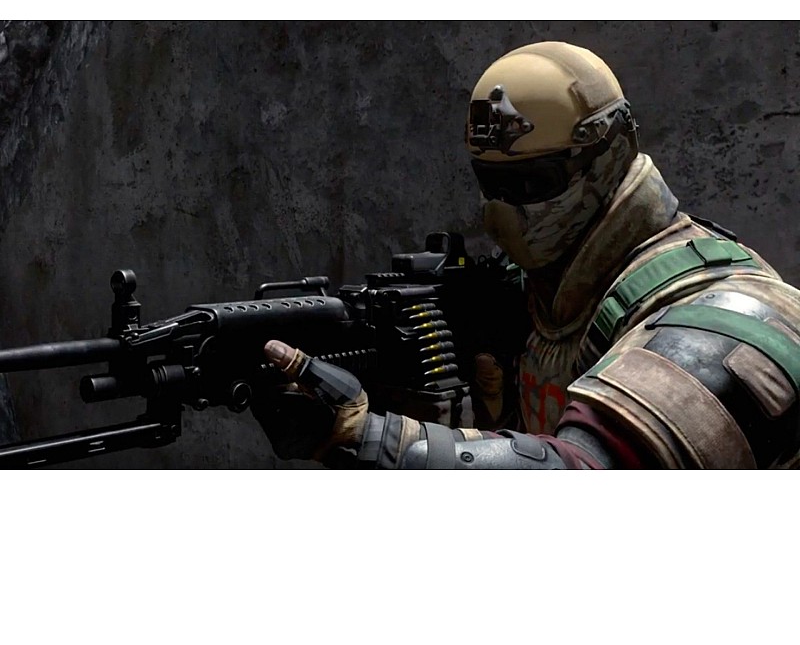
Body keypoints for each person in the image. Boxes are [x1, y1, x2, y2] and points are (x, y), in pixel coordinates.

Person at [252, 41, 800, 469]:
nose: (503, 211)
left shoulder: (730, 313)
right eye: (492, 184)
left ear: (609, 159)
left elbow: (587, 472)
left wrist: (368, 437)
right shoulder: (534, 297)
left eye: (533, 182)